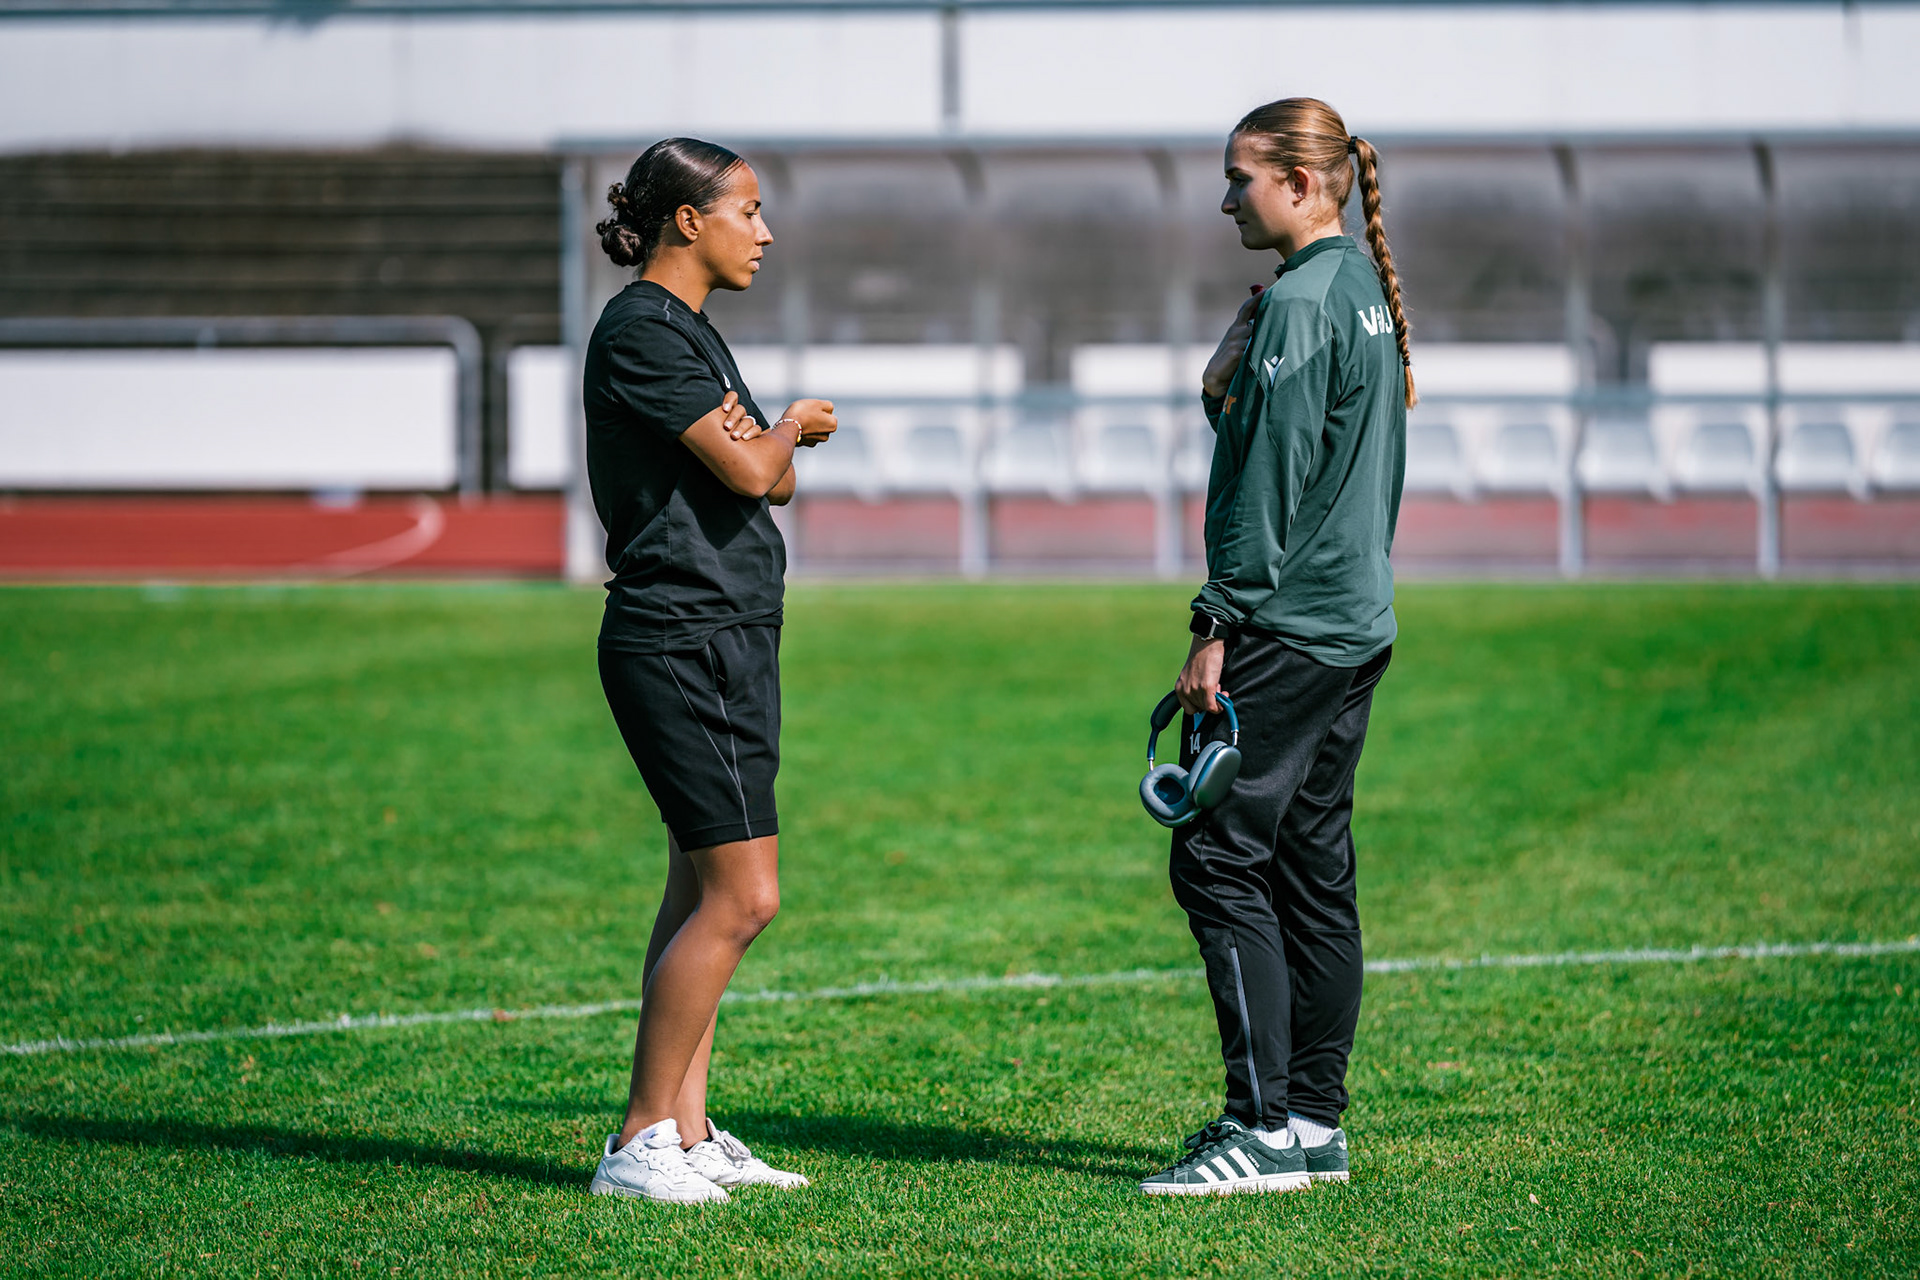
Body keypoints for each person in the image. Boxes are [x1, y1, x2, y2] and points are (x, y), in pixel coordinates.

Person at [1138, 98, 1414, 1196]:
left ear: (1302, 183)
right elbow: (1322, 454)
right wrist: (1226, 390)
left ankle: (1260, 1129)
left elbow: (1271, 486)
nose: (1226, 198)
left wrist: (1217, 621)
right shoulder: (1356, 290)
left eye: (1241, 178)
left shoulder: (1302, 302)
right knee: (1310, 867)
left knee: (1214, 855)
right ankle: (1312, 1122)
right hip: (1354, 624)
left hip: (1288, 626)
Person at [582, 137, 838, 1204]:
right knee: (745, 895)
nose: (765, 231)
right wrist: (785, 426)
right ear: (689, 219)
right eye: (749, 210)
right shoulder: (644, 330)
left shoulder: (689, 331)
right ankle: (642, 1138)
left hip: (727, 628)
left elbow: (763, 490)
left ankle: (685, 1131)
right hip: (680, 634)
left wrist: (767, 447)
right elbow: (751, 464)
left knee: (699, 882)